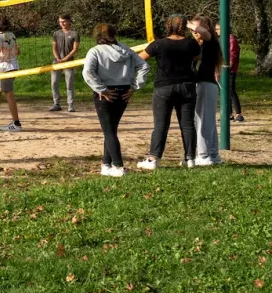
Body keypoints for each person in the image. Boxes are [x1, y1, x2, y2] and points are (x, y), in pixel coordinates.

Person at [82, 23, 148, 177]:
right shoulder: (126, 50)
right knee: (110, 130)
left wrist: (100, 89)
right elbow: (144, 66)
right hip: (123, 91)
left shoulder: (95, 51)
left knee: (110, 131)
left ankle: (118, 167)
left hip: (106, 93)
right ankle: (106, 165)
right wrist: (134, 86)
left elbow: (87, 72)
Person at [138, 14, 199, 169]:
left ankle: (153, 158)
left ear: (167, 25)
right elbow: (197, 57)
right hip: (187, 86)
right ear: (184, 26)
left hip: (164, 87)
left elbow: (139, 59)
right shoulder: (191, 44)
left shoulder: (158, 44)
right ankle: (190, 158)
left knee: (160, 124)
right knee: (187, 124)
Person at [189, 15, 222, 166]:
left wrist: (190, 25)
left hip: (205, 84)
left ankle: (203, 155)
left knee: (202, 121)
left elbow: (204, 34)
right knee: (208, 121)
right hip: (205, 84)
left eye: (196, 29)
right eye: (192, 30)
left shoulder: (210, 42)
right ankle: (213, 155)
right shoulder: (199, 45)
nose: (194, 32)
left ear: (205, 28)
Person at [0, 17, 23, 132]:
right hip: (12, 66)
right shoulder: (12, 35)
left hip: (6, 69)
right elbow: (18, 52)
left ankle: (16, 123)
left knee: (9, 95)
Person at [50, 14, 81, 112]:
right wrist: (58, 58)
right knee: (54, 83)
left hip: (69, 62)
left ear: (68, 21)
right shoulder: (56, 33)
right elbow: (54, 47)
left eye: (63, 21)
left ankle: (70, 105)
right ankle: (56, 104)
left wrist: (65, 59)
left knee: (69, 84)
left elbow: (75, 49)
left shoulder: (75, 33)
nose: (62, 23)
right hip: (56, 61)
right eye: (60, 22)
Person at [218, 22, 244, 122]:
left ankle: (239, 114)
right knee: (224, 91)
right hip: (221, 69)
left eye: (218, 29)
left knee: (231, 90)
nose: (217, 31)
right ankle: (228, 113)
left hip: (229, 70)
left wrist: (228, 68)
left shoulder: (231, 39)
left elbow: (233, 55)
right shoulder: (220, 39)